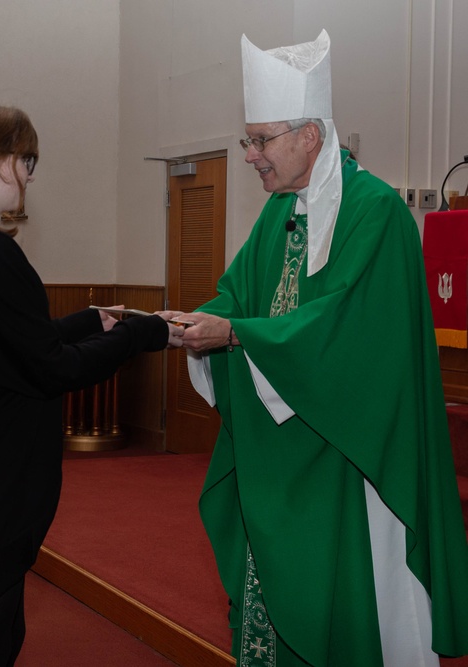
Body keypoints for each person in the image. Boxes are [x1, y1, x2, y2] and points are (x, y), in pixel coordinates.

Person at [160, 30, 468, 666]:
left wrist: (238, 333)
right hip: (285, 451)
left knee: (357, 611)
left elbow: (349, 328)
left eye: (261, 139)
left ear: (311, 135)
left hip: (352, 454)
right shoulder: (280, 211)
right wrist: (193, 324)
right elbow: (236, 296)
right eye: (249, 139)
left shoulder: (375, 211)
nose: (250, 155)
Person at [0, 99, 184, 667]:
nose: (32, 175)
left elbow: (8, 344)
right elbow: (53, 368)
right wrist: (146, 333)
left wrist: (92, 319)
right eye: (25, 159)